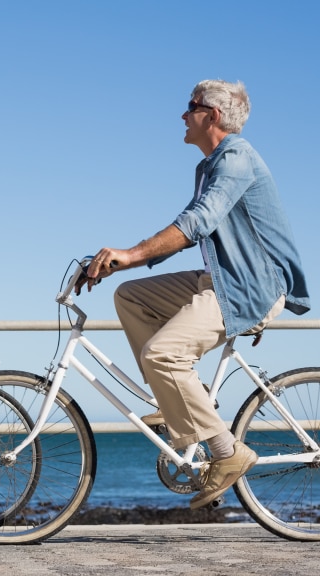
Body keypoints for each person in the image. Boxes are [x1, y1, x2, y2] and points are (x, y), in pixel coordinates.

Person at [79, 79, 309, 509]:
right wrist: (119, 266)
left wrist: (130, 253)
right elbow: (191, 226)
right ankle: (179, 401)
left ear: (213, 116)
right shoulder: (208, 166)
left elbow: (198, 222)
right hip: (221, 279)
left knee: (162, 355)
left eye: (191, 106)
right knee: (131, 296)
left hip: (250, 286)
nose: (183, 115)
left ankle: (228, 452)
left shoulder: (237, 157)